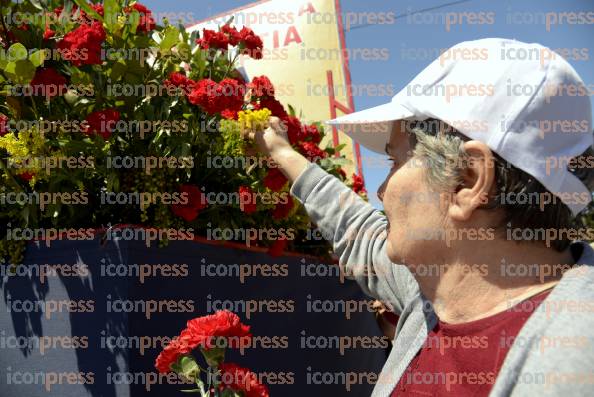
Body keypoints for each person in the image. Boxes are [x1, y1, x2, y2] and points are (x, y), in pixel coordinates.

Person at [248, 38, 594, 396]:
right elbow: (360, 232)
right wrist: (280, 151)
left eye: (394, 161)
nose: (382, 190)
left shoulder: (574, 364)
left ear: (468, 180)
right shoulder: (433, 293)